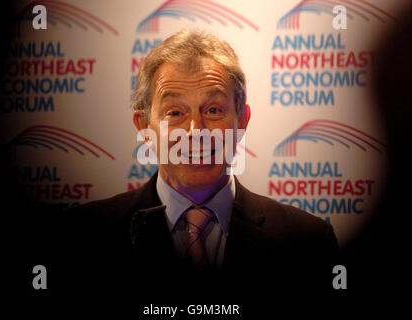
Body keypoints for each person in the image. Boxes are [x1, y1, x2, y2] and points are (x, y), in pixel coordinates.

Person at [52, 30, 338, 296]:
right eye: (175, 113)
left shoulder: (308, 241)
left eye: (213, 110)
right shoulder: (82, 237)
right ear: (144, 128)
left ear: (241, 121)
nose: (195, 132)